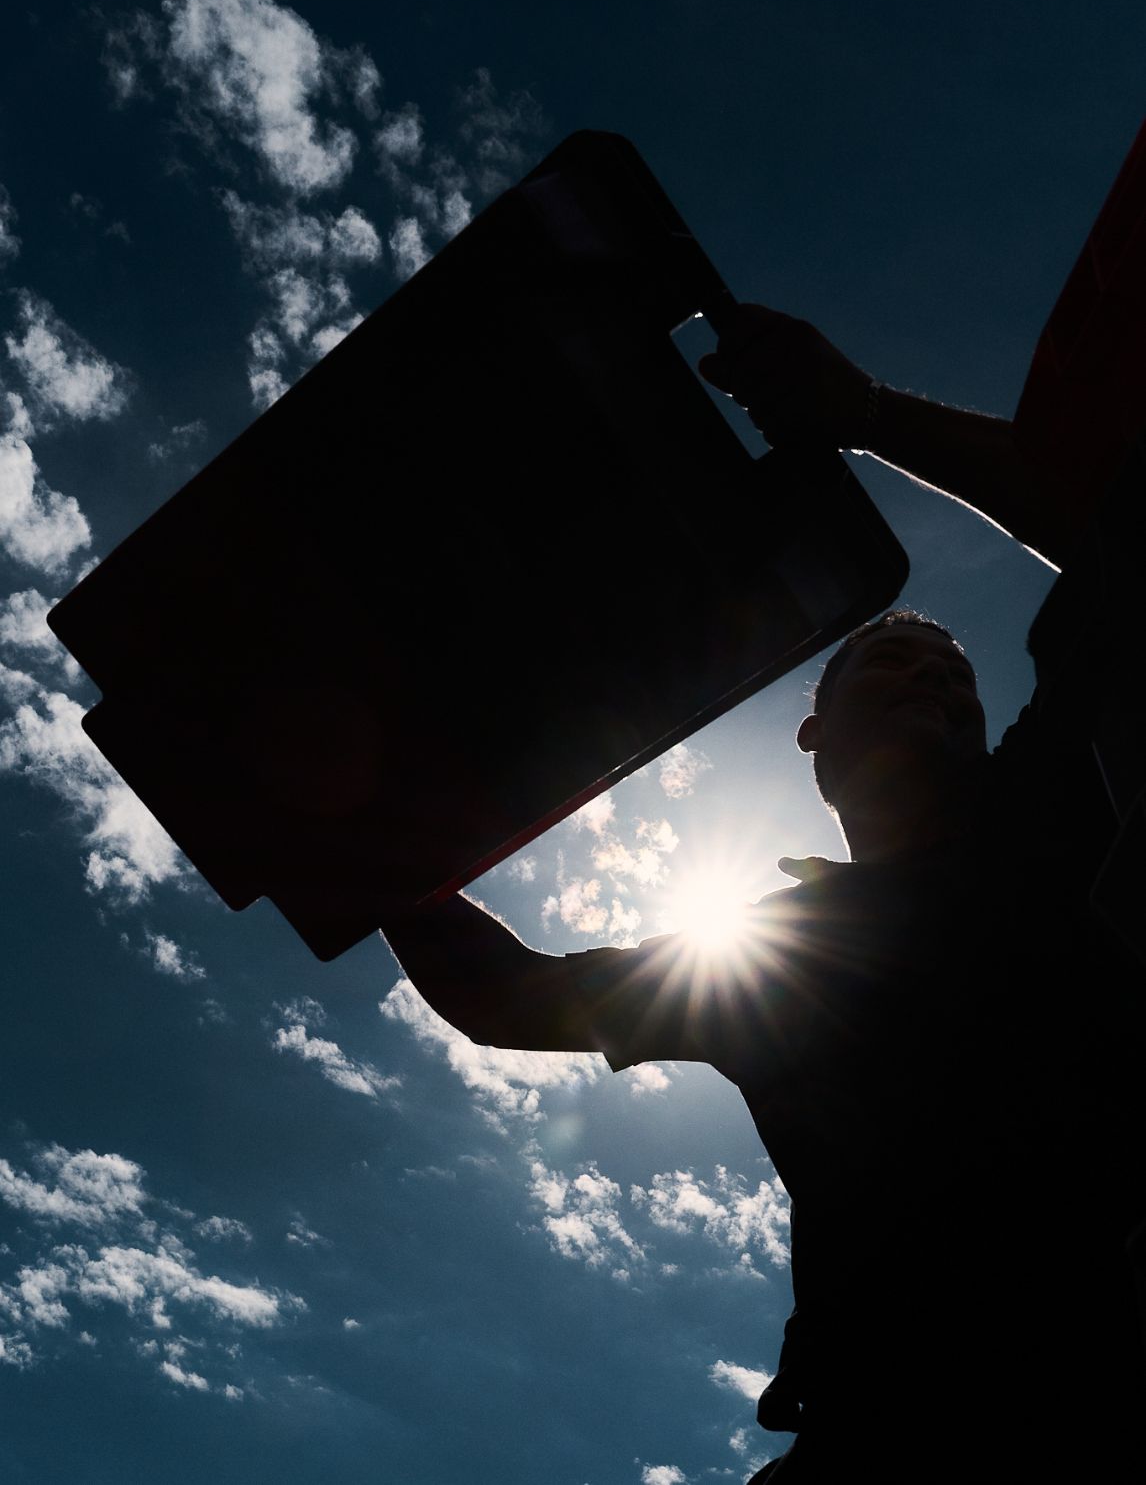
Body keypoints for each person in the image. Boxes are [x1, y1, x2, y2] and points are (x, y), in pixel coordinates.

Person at [385, 307, 1146, 1480]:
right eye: (893, 661)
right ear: (812, 732)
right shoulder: (771, 962)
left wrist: (869, 418)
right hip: (881, 1429)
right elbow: (510, 998)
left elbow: (1118, 542)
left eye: (956, 680)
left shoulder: (1054, 806)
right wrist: (365, 845)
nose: (934, 684)